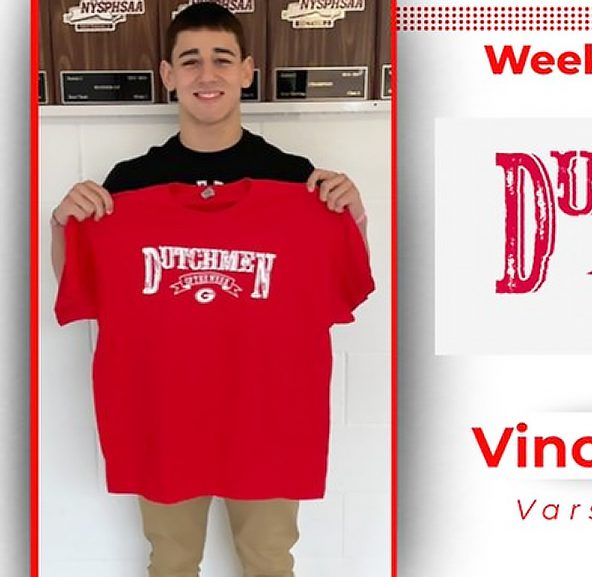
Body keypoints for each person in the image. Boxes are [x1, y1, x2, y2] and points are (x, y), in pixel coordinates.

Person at [48, 4, 370, 577]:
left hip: (269, 418)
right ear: (168, 75)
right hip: (163, 418)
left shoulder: (298, 182)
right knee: (170, 561)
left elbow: (345, 288)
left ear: (246, 71)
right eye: (190, 60)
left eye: (221, 59)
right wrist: (61, 227)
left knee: (269, 561)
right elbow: (81, 291)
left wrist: (354, 221)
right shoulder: (127, 186)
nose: (206, 74)